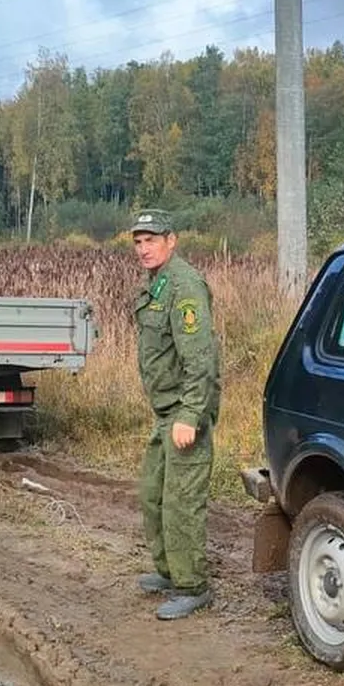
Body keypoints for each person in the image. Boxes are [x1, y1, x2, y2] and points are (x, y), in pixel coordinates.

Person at [129, 209, 222, 620]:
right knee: (153, 493)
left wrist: (190, 414)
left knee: (181, 502)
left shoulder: (184, 287)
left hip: (185, 413)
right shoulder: (159, 283)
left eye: (152, 239)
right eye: (138, 241)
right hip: (165, 411)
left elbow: (200, 358)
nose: (144, 248)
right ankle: (170, 571)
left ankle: (193, 585)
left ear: (172, 240)